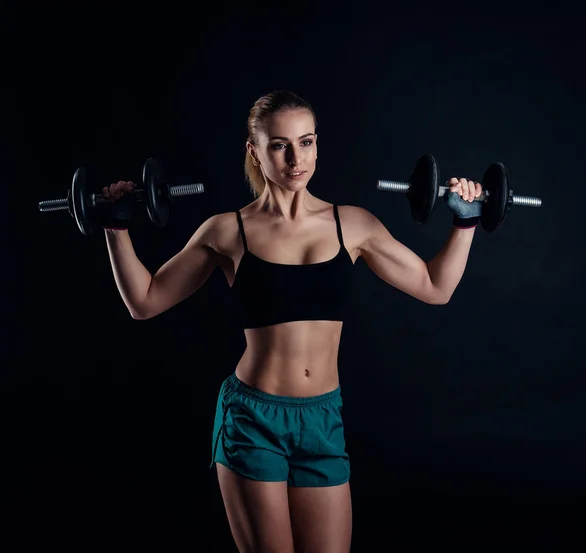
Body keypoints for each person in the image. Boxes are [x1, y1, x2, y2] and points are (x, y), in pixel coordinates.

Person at [101, 90, 482, 553]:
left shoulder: (353, 225)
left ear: (317, 145)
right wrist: (116, 228)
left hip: (322, 418)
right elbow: (144, 301)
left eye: (305, 142)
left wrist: (465, 225)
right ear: (254, 151)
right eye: (279, 144)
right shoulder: (226, 230)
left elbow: (435, 287)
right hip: (253, 417)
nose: (295, 158)